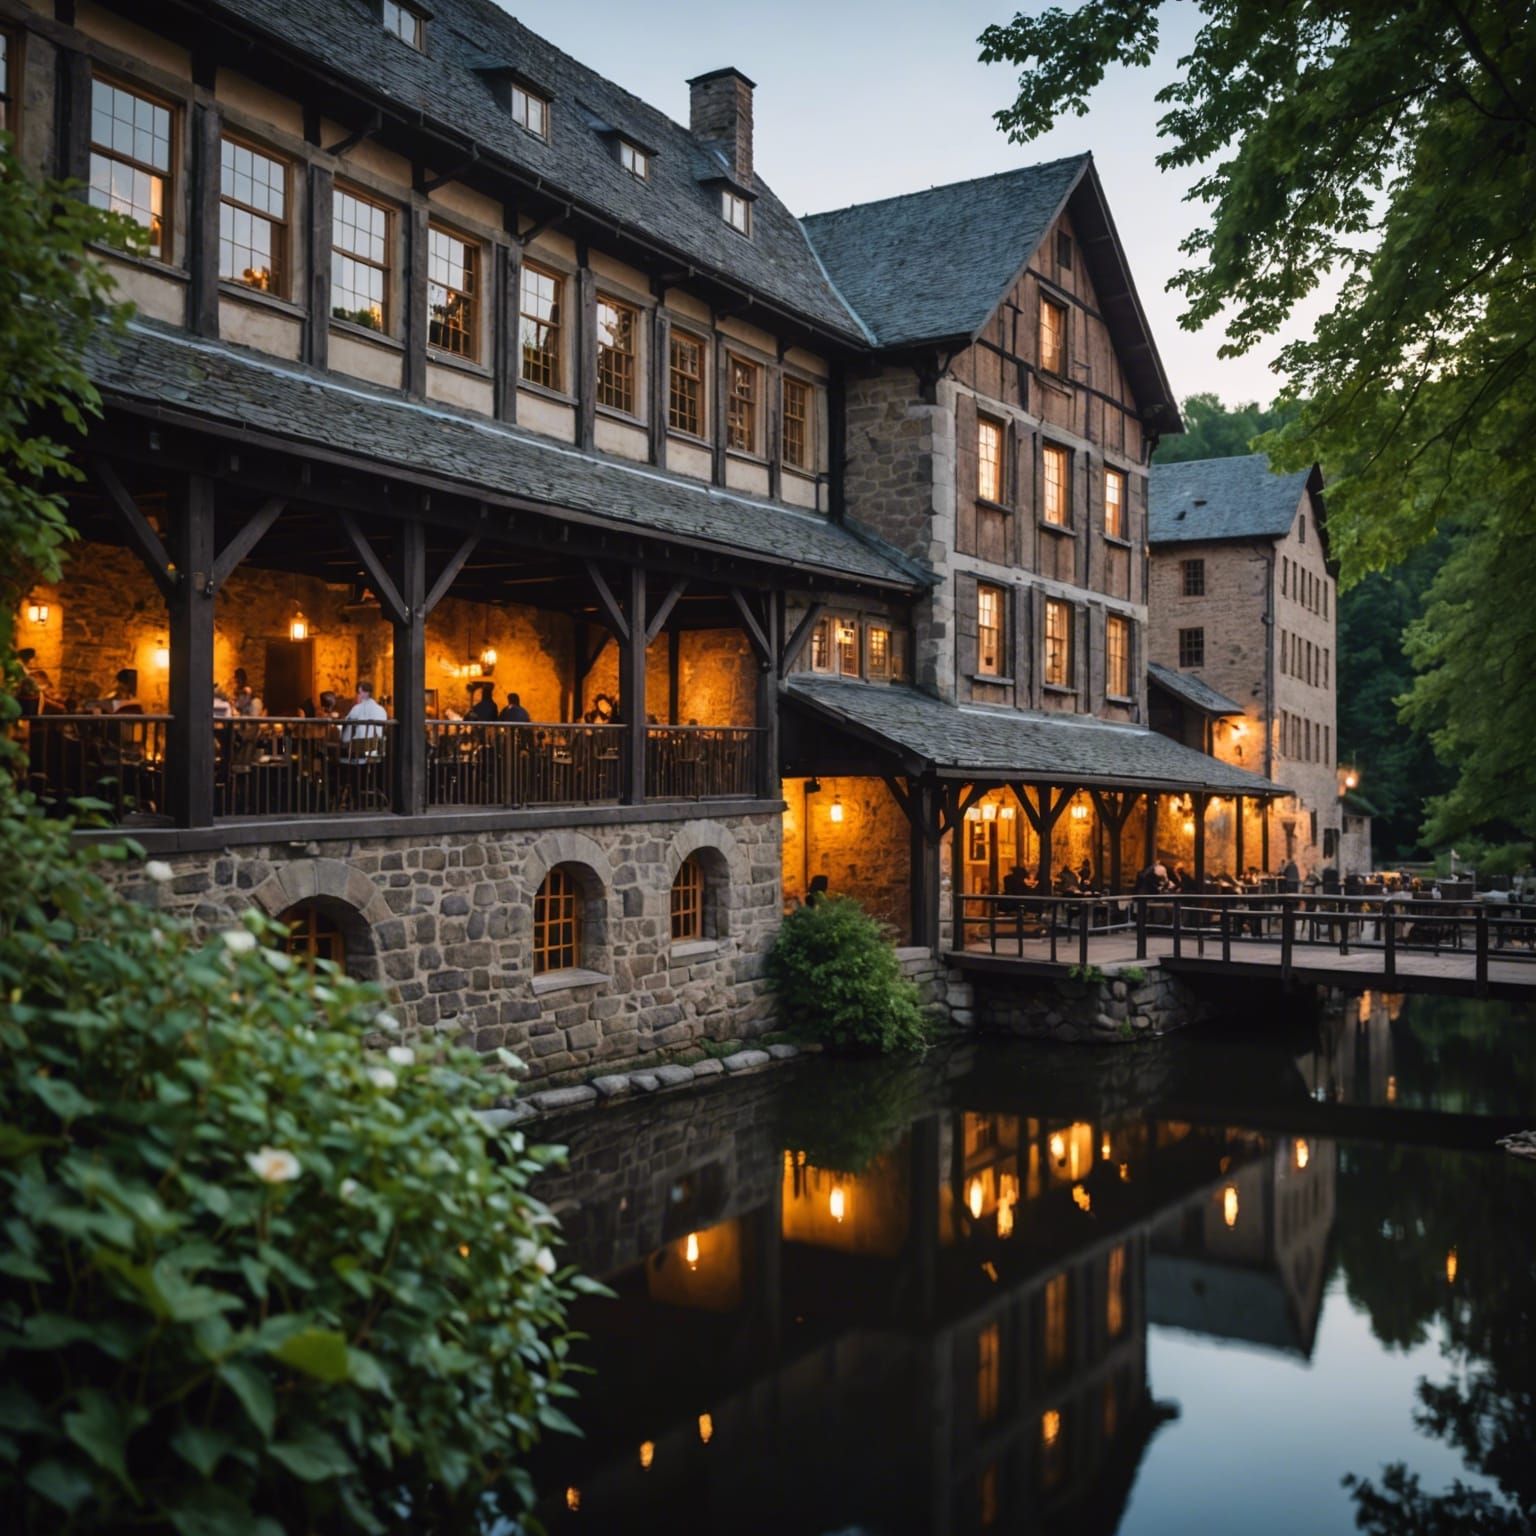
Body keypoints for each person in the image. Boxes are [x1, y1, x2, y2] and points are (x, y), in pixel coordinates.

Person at [340, 681, 387, 748]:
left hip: (361, 746)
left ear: (365, 693)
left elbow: (346, 721)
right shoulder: (382, 709)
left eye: (359, 693)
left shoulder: (357, 708)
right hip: (378, 745)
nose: (357, 695)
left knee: (348, 728)